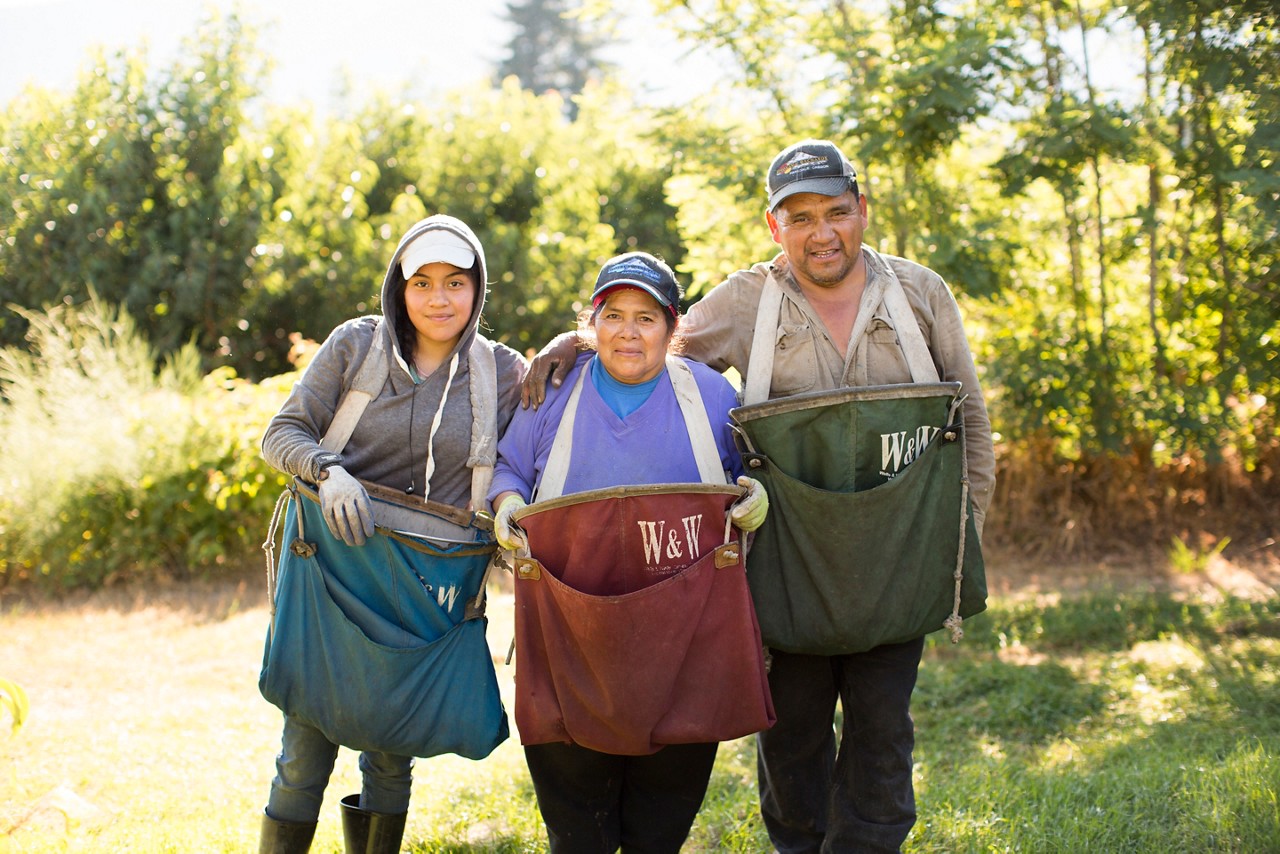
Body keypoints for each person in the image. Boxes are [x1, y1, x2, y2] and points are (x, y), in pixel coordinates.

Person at [523, 140, 995, 853]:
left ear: (862, 211)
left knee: (882, 734)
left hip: (898, 564)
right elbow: (651, 349)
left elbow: (973, 422)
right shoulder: (748, 301)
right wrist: (578, 342)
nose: (823, 232)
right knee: (795, 738)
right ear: (775, 227)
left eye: (837, 212)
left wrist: (959, 540)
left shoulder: (920, 294)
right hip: (789, 570)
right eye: (800, 217)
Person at [257, 214, 526, 853]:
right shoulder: (356, 346)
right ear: (398, 289)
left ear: (477, 289)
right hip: (335, 569)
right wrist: (329, 473)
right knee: (305, 744)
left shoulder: (503, 372)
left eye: (455, 283)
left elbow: (529, 453)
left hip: (423, 582)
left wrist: (572, 346)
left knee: (389, 750)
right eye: (422, 282)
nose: (439, 299)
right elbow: (282, 432)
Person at [489, 251, 772, 853]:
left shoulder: (710, 396)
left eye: (646, 317)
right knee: (578, 831)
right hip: (571, 628)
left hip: (683, 636)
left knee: (658, 828)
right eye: (613, 315)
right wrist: (508, 504)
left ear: (673, 328)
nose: (629, 331)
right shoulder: (554, 391)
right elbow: (509, 469)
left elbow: (746, 472)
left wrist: (754, 498)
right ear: (591, 326)